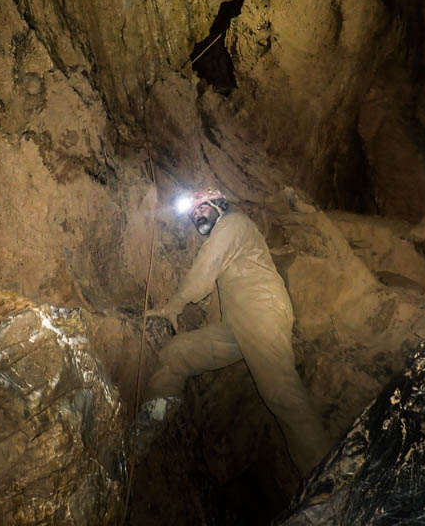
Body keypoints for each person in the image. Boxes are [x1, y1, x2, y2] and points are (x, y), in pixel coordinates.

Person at [135, 188, 326, 476]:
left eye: (200, 208)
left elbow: (206, 268)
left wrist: (175, 304)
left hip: (261, 310)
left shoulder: (233, 223)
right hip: (236, 326)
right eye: (193, 213)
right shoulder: (227, 232)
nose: (196, 214)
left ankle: (328, 479)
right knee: (177, 353)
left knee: (279, 391)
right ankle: (144, 430)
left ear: (218, 204)